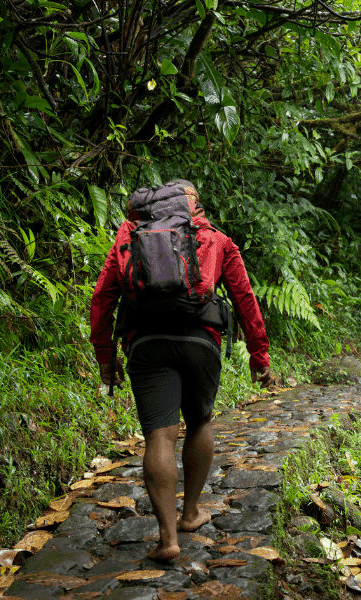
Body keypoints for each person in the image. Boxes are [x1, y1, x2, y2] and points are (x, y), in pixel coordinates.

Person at [89, 179, 274, 561]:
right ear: (196, 206)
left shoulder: (129, 235)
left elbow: (102, 297)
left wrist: (105, 356)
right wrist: (260, 357)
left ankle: (167, 539)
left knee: (160, 435)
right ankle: (191, 513)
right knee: (200, 421)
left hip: (146, 344)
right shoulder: (215, 239)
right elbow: (244, 298)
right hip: (201, 342)